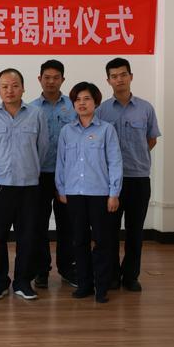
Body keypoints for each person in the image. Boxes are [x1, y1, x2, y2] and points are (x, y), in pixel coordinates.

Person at [0, 68, 48, 300]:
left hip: (28, 187)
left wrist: (29, 169)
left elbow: (43, 148)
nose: (10, 90)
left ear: (23, 88)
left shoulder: (36, 115)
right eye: (4, 86)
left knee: (27, 237)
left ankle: (23, 282)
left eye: (15, 85)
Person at [56, 82, 122, 304]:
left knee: (102, 241)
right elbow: (61, 162)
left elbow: (115, 162)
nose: (82, 103)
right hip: (74, 193)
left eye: (86, 99)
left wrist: (114, 193)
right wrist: (61, 188)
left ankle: (101, 287)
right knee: (79, 241)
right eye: (77, 100)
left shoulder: (106, 130)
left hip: (100, 194)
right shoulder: (67, 131)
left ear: (96, 102)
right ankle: (84, 284)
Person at [98, 57, 161, 291]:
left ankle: (131, 276)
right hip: (110, 182)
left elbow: (151, 139)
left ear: (131, 76)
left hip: (138, 179)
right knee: (110, 232)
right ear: (108, 81)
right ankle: (112, 275)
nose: (119, 80)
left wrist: (136, 158)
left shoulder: (145, 108)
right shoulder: (102, 110)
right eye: (114, 76)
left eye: (123, 74)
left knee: (135, 232)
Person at [30, 60, 77, 289]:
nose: (51, 82)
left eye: (56, 77)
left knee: (67, 224)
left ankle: (67, 268)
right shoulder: (30, 108)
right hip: (39, 174)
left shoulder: (74, 106)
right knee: (38, 224)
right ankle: (41, 270)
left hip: (68, 174)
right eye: (46, 77)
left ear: (62, 80)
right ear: (39, 79)